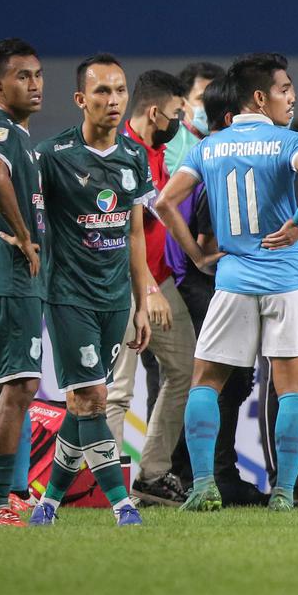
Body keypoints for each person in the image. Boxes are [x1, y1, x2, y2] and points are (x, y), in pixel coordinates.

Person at [160, 53, 298, 512]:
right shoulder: (289, 140)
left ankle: (202, 485)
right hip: (286, 276)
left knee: (204, 383)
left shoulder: (209, 146)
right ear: (260, 96)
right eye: (284, 88)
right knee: (290, 387)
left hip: (233, 276)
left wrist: (196, 256)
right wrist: (297, 221)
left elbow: (165, 203)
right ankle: (286, 493)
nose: (292, 98)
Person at [29, 54, 154, 527]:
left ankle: (48, 503)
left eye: (120, 90)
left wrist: (143, 304)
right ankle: (123, 506)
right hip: (68, 296)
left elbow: (135, 233)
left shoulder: (134, 156)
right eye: (102, 91)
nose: (114, 100)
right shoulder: (52, 157)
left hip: (115, 297)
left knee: (82, 406)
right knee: (95, 399)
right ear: (81, 99)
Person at [106, 70, 198, 506]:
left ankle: (153, 473)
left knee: (185, 368)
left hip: (159, 280)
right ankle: (106, 487)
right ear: (156, 111)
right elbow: (125, 233)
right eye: (177, 113)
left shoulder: (156, 153)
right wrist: (148, 290)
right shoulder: (121, 154)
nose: (180, 121)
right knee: (118, 389)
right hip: (126, 284)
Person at [0, 38, 45, 527]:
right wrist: (25, 236)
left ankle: (13, 490)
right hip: (12, 276)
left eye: (37, 76)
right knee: (21, 382)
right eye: (21, 76)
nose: (34, 85)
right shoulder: (3, 132)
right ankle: (2, 501)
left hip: (16, 277)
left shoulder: (19, 134)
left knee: (14, 385)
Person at [164, 61, 224, 173]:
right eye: (201, 98)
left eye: (215, 97)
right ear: (183, 103)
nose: (210, 104)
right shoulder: (168, 143)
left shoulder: (231, 140)